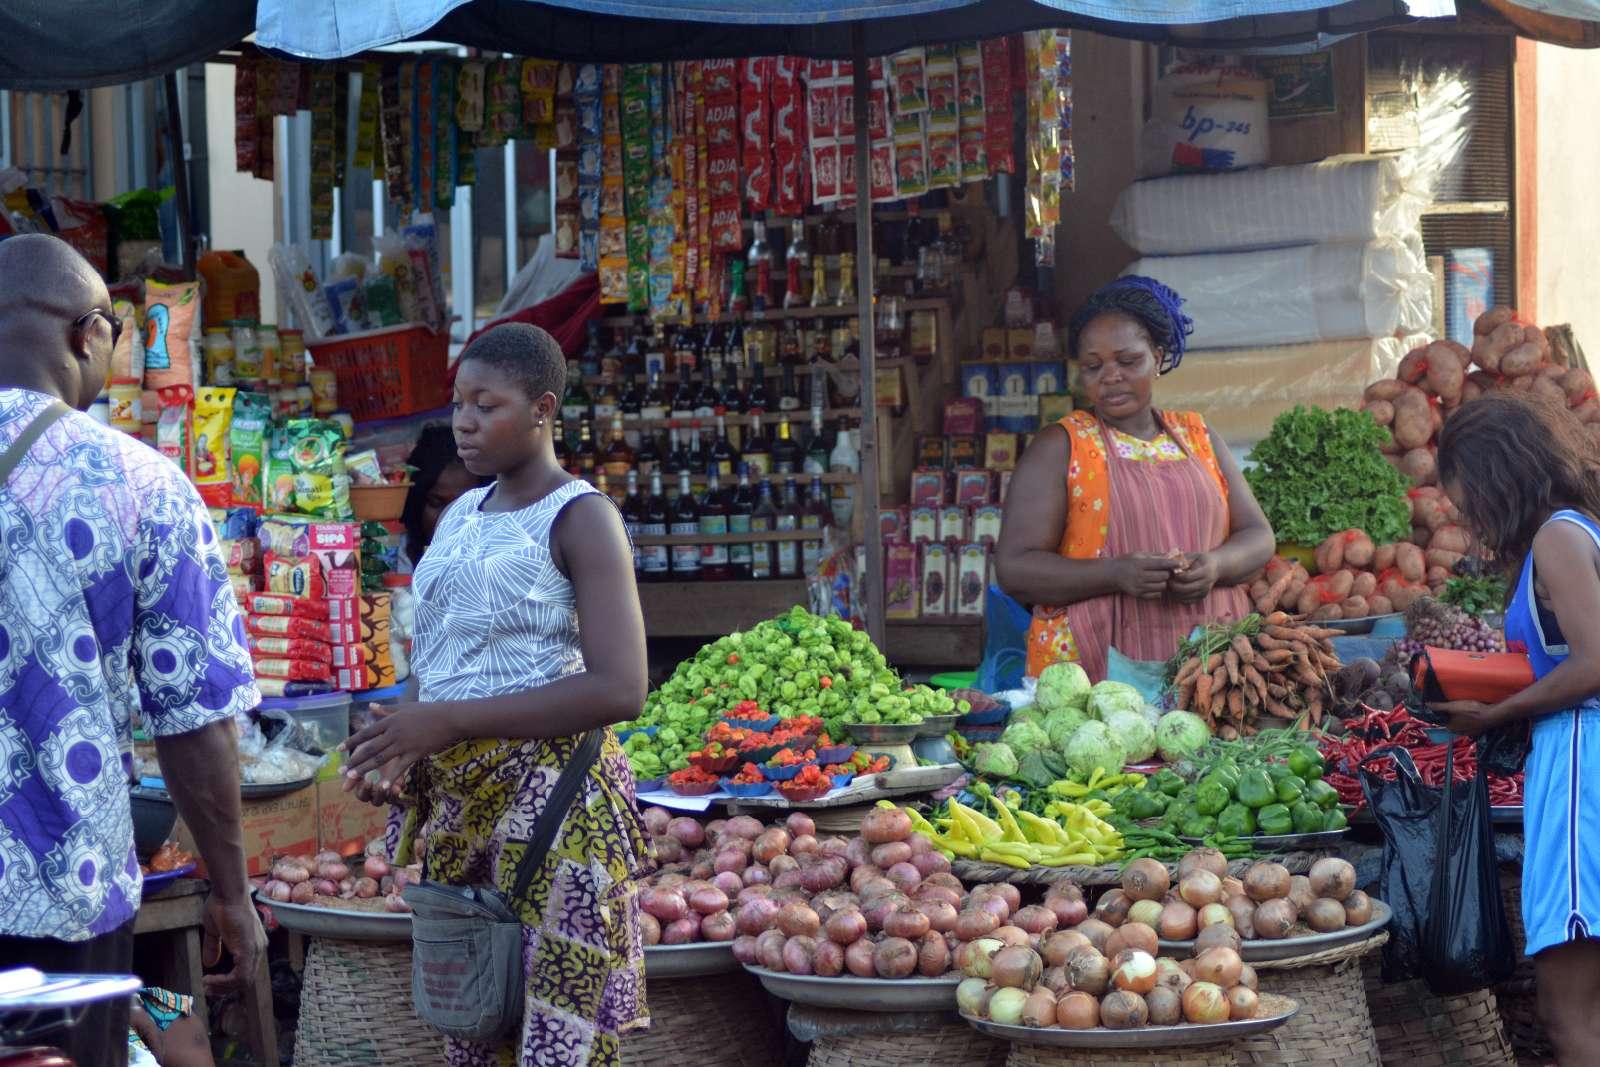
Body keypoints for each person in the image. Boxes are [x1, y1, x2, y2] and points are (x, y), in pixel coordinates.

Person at [341, 323, 650, 1066]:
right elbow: (439, 656)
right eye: (459, 405)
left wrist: (445, 720)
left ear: (543, 408)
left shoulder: (582, 516)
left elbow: (622, 685)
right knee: (475, 1026)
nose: (466, 423)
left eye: (487, 404)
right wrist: (399, 744)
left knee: (558, 1039)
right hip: (460, 814)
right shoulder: (455, 521)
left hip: (556, 807)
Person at [0, 235, 263, 1066]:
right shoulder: (138, 485)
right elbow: (197, 729)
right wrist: (231, 894)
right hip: (58, 899)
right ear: (87, 334)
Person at [1431, 391, 1600, 1064]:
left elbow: (1594, 662)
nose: (1465, 514)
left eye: (1463, 494)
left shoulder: (1558, 535)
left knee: (1567, 1011)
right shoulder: (1574, 527)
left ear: (1496, 473)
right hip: (1574, 762)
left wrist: (1494, 713)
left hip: (1582, 771)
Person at [995, 276, 1275, 681]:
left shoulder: (1199, 438)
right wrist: (1114, 573)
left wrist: (1214, 565)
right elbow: (1015, 568)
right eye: (1093, 366)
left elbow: (1258, 536)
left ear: (1158, 358)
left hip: (1211, 661)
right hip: (1094, 669)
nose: (1110, 376)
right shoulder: (1061, 446)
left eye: (1128, 361)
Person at [399, 423, 488, 566]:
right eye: (436, 503)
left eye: (464, 506)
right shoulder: (392, 559)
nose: (448, 519)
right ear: (415, 502)